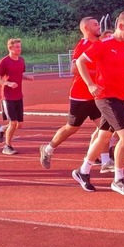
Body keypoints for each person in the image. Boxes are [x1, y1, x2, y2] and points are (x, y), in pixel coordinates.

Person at [72, 11, 124, 195]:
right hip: (105, 97)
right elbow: (80, 62)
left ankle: (83, 171)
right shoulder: (103, 44)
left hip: (119, 96)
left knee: (103, 136)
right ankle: (118, 179)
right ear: (120, 26)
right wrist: (90, 84)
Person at [38, 17, 114, 172]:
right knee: (71, 128)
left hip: (97, 96)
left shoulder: (98, 44)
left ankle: (106, 162)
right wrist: (98, 73)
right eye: (95, 24)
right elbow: (73, 68)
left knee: (105, 128)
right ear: (86, 28)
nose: (98, 26)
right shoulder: (83, 45)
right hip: (80, 95)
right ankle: (48, 149)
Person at [0, 38, 34, 155]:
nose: (19, 49)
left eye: (20, 47)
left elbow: (19, 74)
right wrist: (8, 83)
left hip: (18, 95)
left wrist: (28, 78)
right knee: (13, 123)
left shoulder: (21, 60)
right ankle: (7, 146)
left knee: (19, 125)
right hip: (7, 96)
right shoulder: (4, 61)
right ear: (10, 48)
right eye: (17, 47)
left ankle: (1, 129)